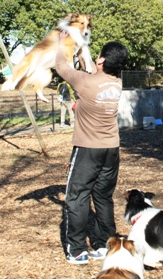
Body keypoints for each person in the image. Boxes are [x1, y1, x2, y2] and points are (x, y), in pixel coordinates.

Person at [55, 32, 128, 265]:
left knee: (77, 197)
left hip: (88, 149)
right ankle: (105, 244)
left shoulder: (85, 82)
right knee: (103, 197)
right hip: (111, 149)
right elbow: (96, 72)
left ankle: (76, 250)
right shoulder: (117, 83)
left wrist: (61, 43)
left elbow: (60, 66)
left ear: (102, 60)